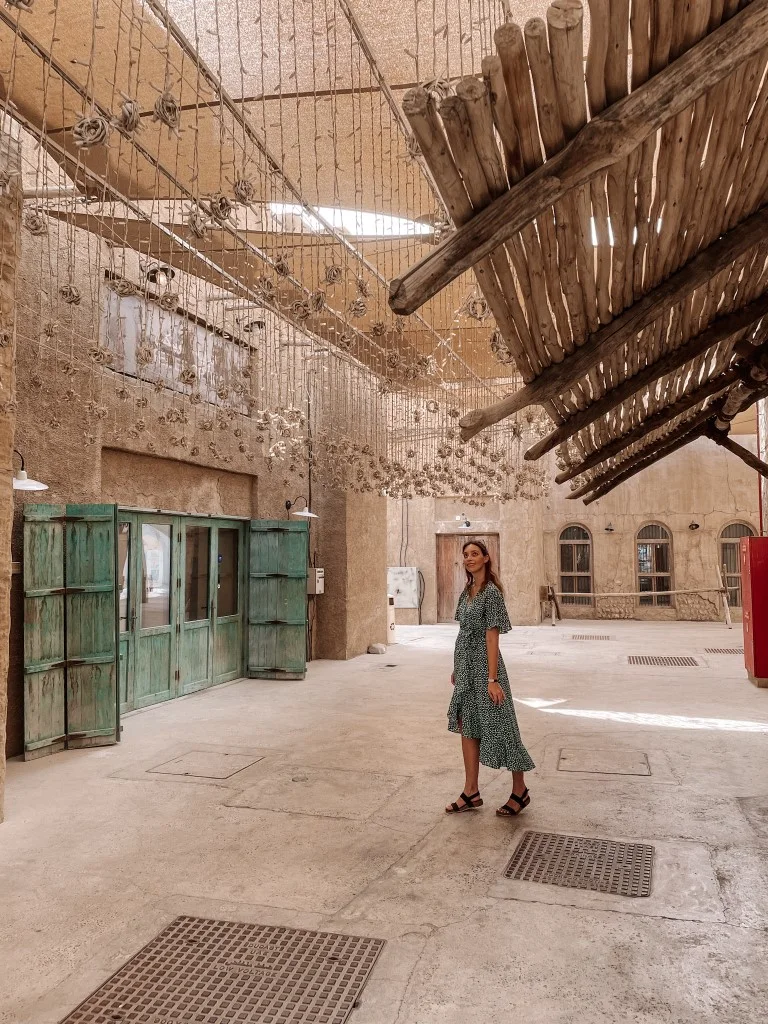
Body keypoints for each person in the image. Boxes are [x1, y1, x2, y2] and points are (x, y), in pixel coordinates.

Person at [445, 539, 535, 817]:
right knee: (467, 727)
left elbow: (491, 636)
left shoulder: (491, 593)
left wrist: (492, 679)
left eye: (474, 554)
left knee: (503, 727)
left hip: (486, 671)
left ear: (486, 558)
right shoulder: (467, 591)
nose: (469, 559)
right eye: (466, 555)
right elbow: (463, 632)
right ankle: (471, 791)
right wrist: (458, 666)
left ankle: (520, 790)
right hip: (467, 670)